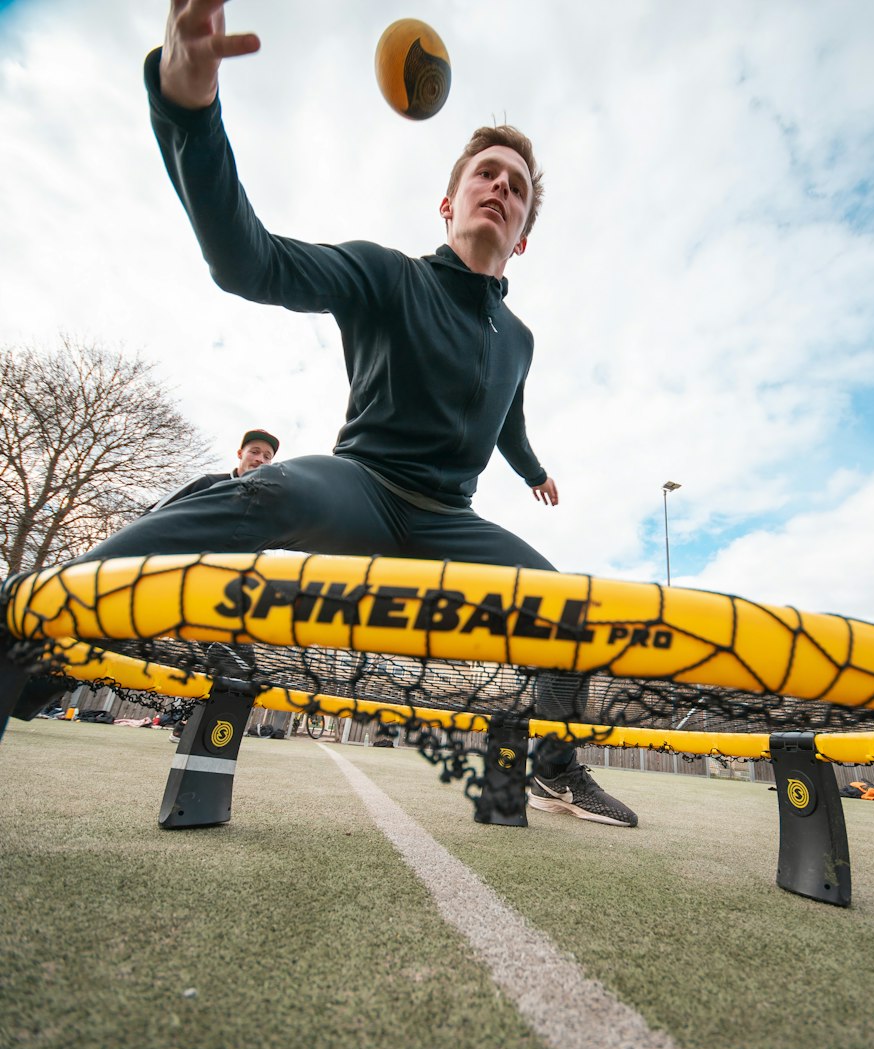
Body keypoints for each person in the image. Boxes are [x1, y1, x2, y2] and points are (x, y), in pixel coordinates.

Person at [74, 0, 637, 828]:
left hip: (448, 522)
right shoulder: (387, 275)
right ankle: (50, 611)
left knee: (568, 615)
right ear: (447, 205)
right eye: (485, 174)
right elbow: (248, 262)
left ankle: (552, 767)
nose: (501, 189)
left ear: (523, 239)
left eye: (516, 189)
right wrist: (188, 110)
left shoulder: (519, 339)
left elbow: (507, 420)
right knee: (270, 494)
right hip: (363, 489)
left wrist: (534, 470)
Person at [147, 428, 279, 512]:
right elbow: (153, 513)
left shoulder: (263, 504)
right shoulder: (206, 483)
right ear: (240, 454)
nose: (260, 459)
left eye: (267, 457)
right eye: (255, 452)